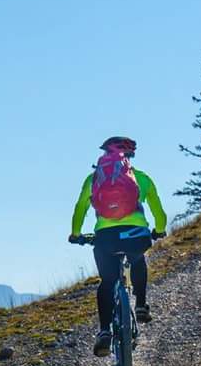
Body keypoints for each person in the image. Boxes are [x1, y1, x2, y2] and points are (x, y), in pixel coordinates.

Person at [69, 136, 168, 354]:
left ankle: (104, 331)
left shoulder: (93, 179)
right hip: (136, 234)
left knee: (108, 281)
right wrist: (159, 230)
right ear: (130, 156)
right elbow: (159, 213)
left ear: (105, 155)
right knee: (137, 257)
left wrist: (76, 234)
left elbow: (80, 209)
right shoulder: (142, 179)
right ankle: (141, 305)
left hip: (106, 237)